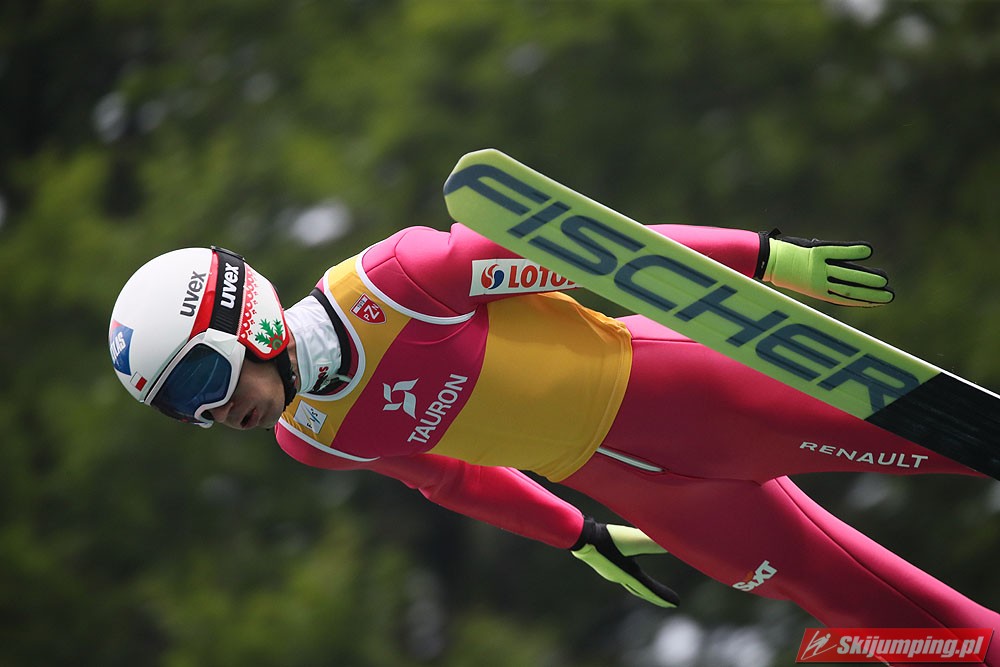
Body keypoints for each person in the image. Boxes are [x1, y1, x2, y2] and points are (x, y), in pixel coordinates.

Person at [109, 220, 1000, 662]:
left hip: (684, 392)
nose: (214, 412)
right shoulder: (312, 436)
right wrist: (579, 534)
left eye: (202, 379)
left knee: (954, 438)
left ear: (245, 318)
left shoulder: (396, 281)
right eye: (184, 410)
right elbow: (449, 480)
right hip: (651, 495)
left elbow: (604, 254)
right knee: (876, 617)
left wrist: (763, 258)